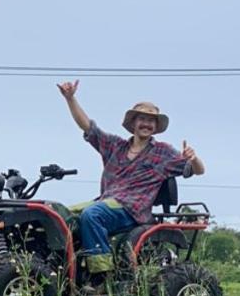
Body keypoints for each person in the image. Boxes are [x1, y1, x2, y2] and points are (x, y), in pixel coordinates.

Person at [56, 81, 205, 279]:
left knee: (92, 215)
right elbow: (89, 127)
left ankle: (101, 275)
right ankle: (66, 272)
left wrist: (193, 158)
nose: (147, 124)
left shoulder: (164, 152)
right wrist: (70, 98)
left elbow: (198, 170)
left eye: (151, 121)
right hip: (107, 202)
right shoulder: (115, 146)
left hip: (133, 210)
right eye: (142, 119)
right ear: (133, 123)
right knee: (62, 214)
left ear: (156, 126)